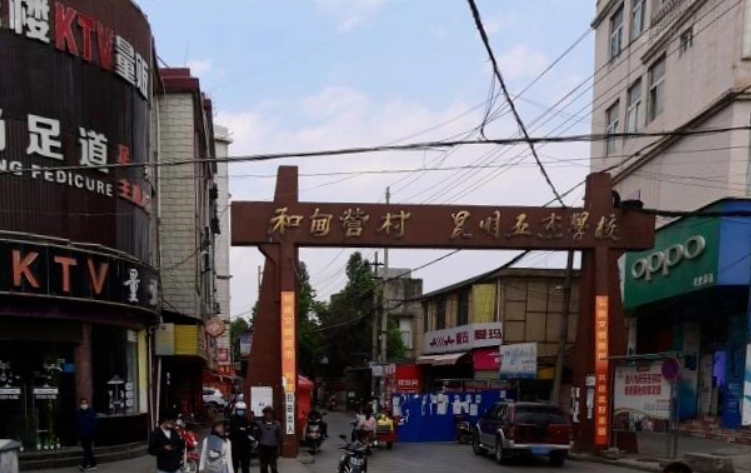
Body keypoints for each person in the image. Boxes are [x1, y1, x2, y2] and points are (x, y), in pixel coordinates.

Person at [228, 402, 256, 473]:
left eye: (242, 410)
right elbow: (234, 430)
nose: (241, 411)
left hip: (245, 447)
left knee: (245, 466)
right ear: (236, 410)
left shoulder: (246, 419)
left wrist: (244, 429)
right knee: (234, 465)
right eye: (239, 410)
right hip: (235, 446)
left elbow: (250, 429)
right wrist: (243, 430)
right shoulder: (232, 419)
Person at [75, 398, 98, 472]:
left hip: (89, 434)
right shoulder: (78, 413)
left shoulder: (91, 412)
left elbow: (95, 423)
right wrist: (78, 432)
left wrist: (91, 431)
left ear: (87, 404)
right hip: (82, 435)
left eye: (85, 403)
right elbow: (76, 423)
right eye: (82, 403)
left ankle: (83, 465)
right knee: (87, 450)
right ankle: (93, 464)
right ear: (80, 404)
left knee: (87, 450)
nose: (84, 405)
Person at [257, 407, 282, 473]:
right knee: (263, 466)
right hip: (263, 447)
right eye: (266, 413)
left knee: (273, 466)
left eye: (270, 413)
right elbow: (258, 435)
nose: (268, 415)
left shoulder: (277, 424)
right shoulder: (260, 424)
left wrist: (278, 448)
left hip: (273, 447)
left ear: (272, 414)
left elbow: (279, 436)